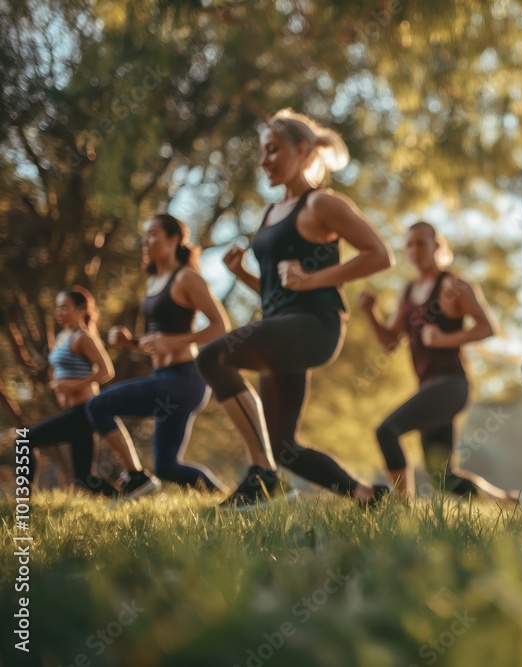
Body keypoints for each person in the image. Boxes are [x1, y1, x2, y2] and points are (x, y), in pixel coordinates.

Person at [197, 109, 393, 509]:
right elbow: (277, 292)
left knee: (213, 357)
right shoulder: (269, 214)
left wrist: (313, 279)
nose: (264, 160)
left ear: (302, 150)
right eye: (262, 152)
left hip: (315, 327)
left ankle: (260, 474)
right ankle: (368, 497)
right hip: (281, 327)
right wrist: (242, 275)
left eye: (273, 150)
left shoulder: (321, 204)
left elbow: (379, 255)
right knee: (284, 446)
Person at [358, 221, 513, 500]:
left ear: (437, 246)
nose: (414, 249)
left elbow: (486, 327)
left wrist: (443, 339)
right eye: (409, 244)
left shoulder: (453, 286)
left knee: (387, 430)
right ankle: (505, 501)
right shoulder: (406, 293)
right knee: (443, 479)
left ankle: (402, 508)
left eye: (421, 243)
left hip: (452, 385)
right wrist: (371, 313)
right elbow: (391, 343)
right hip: (428, 388)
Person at [86, 213, 229, 499]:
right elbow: (159, 343)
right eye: (144, 235)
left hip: (185, 379)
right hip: (164, 378)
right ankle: (228, 496)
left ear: (174, 240)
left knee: (98, 406)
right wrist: (130, 343)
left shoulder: (186, 277)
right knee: (167, 468)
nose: (146, 240)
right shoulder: (153, 282)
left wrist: (180, 339)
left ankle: (136, 477)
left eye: (153, 234)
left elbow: (221, 326)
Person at [25, 286, 120, 495]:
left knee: (24, 439)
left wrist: (72, 385)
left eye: (64, 308)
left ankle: (23, 502)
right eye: (57, 308)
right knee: (84, 479)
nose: (59, 312)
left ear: (81, 309)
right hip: (72, 412)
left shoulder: (83, 337)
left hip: (83, 411)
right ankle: (126, 499)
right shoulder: (63, 336)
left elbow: (106, 371)